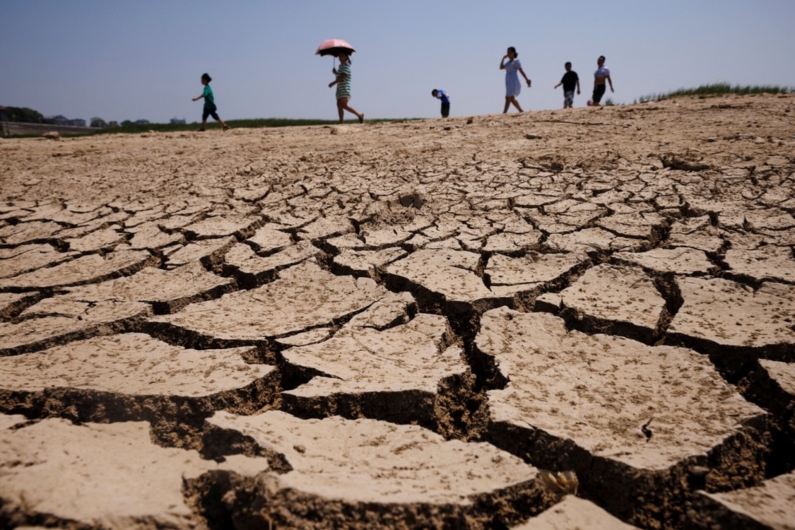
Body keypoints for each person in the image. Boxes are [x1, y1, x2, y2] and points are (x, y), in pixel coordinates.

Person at [328, 53, 364, 124]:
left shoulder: (346, 66)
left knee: (343, 105)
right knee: (339, 105)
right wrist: (335, 73)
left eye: (342, 56)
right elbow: (339, 76)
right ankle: (341, 122)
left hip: (344, 88)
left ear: (346, 57)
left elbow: (342, 77)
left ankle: (359, 115)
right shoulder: (341, 66)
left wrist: (333, 83)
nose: (340, 57)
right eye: (339, 56)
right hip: (340, 89)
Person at [500, 47, 531, 113]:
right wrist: (503, 58)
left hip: (513, 81)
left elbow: (521, 70)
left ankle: (504, 112)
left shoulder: (516, 61)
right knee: (511, 98)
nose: (508, 54)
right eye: (507, 52)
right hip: (508, 81)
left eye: (509, 52)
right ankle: (520, 110)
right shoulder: (508, 63)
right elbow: (501, 67)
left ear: (513, 53)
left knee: (508, 97)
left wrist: (526, 79)